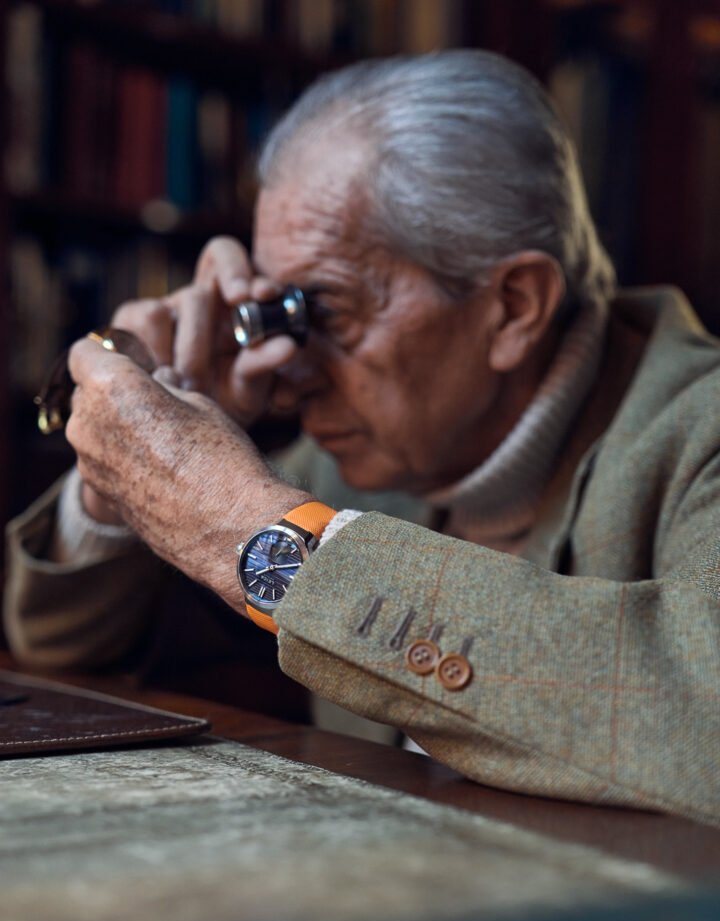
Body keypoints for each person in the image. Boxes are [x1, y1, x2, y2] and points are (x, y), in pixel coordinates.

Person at [4, 51, 720, 824]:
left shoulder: (699, 430)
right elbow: (60, 657)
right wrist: (126, 479)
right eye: (279, 312)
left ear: (514, 305)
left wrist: (244, 527)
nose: (290, 365)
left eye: (328, 311)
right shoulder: (366, 463)